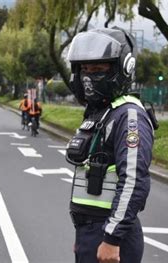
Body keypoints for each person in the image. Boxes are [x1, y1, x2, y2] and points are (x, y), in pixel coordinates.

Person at [65, 27, 156, 263]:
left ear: (121, 69)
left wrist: (111, 239)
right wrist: (84, 237)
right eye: (84, 69)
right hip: (91, 231)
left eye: (97, 69)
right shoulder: (101, 113)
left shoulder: (129, 115)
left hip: (111, 235)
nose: (88, 76)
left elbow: (134, 180)